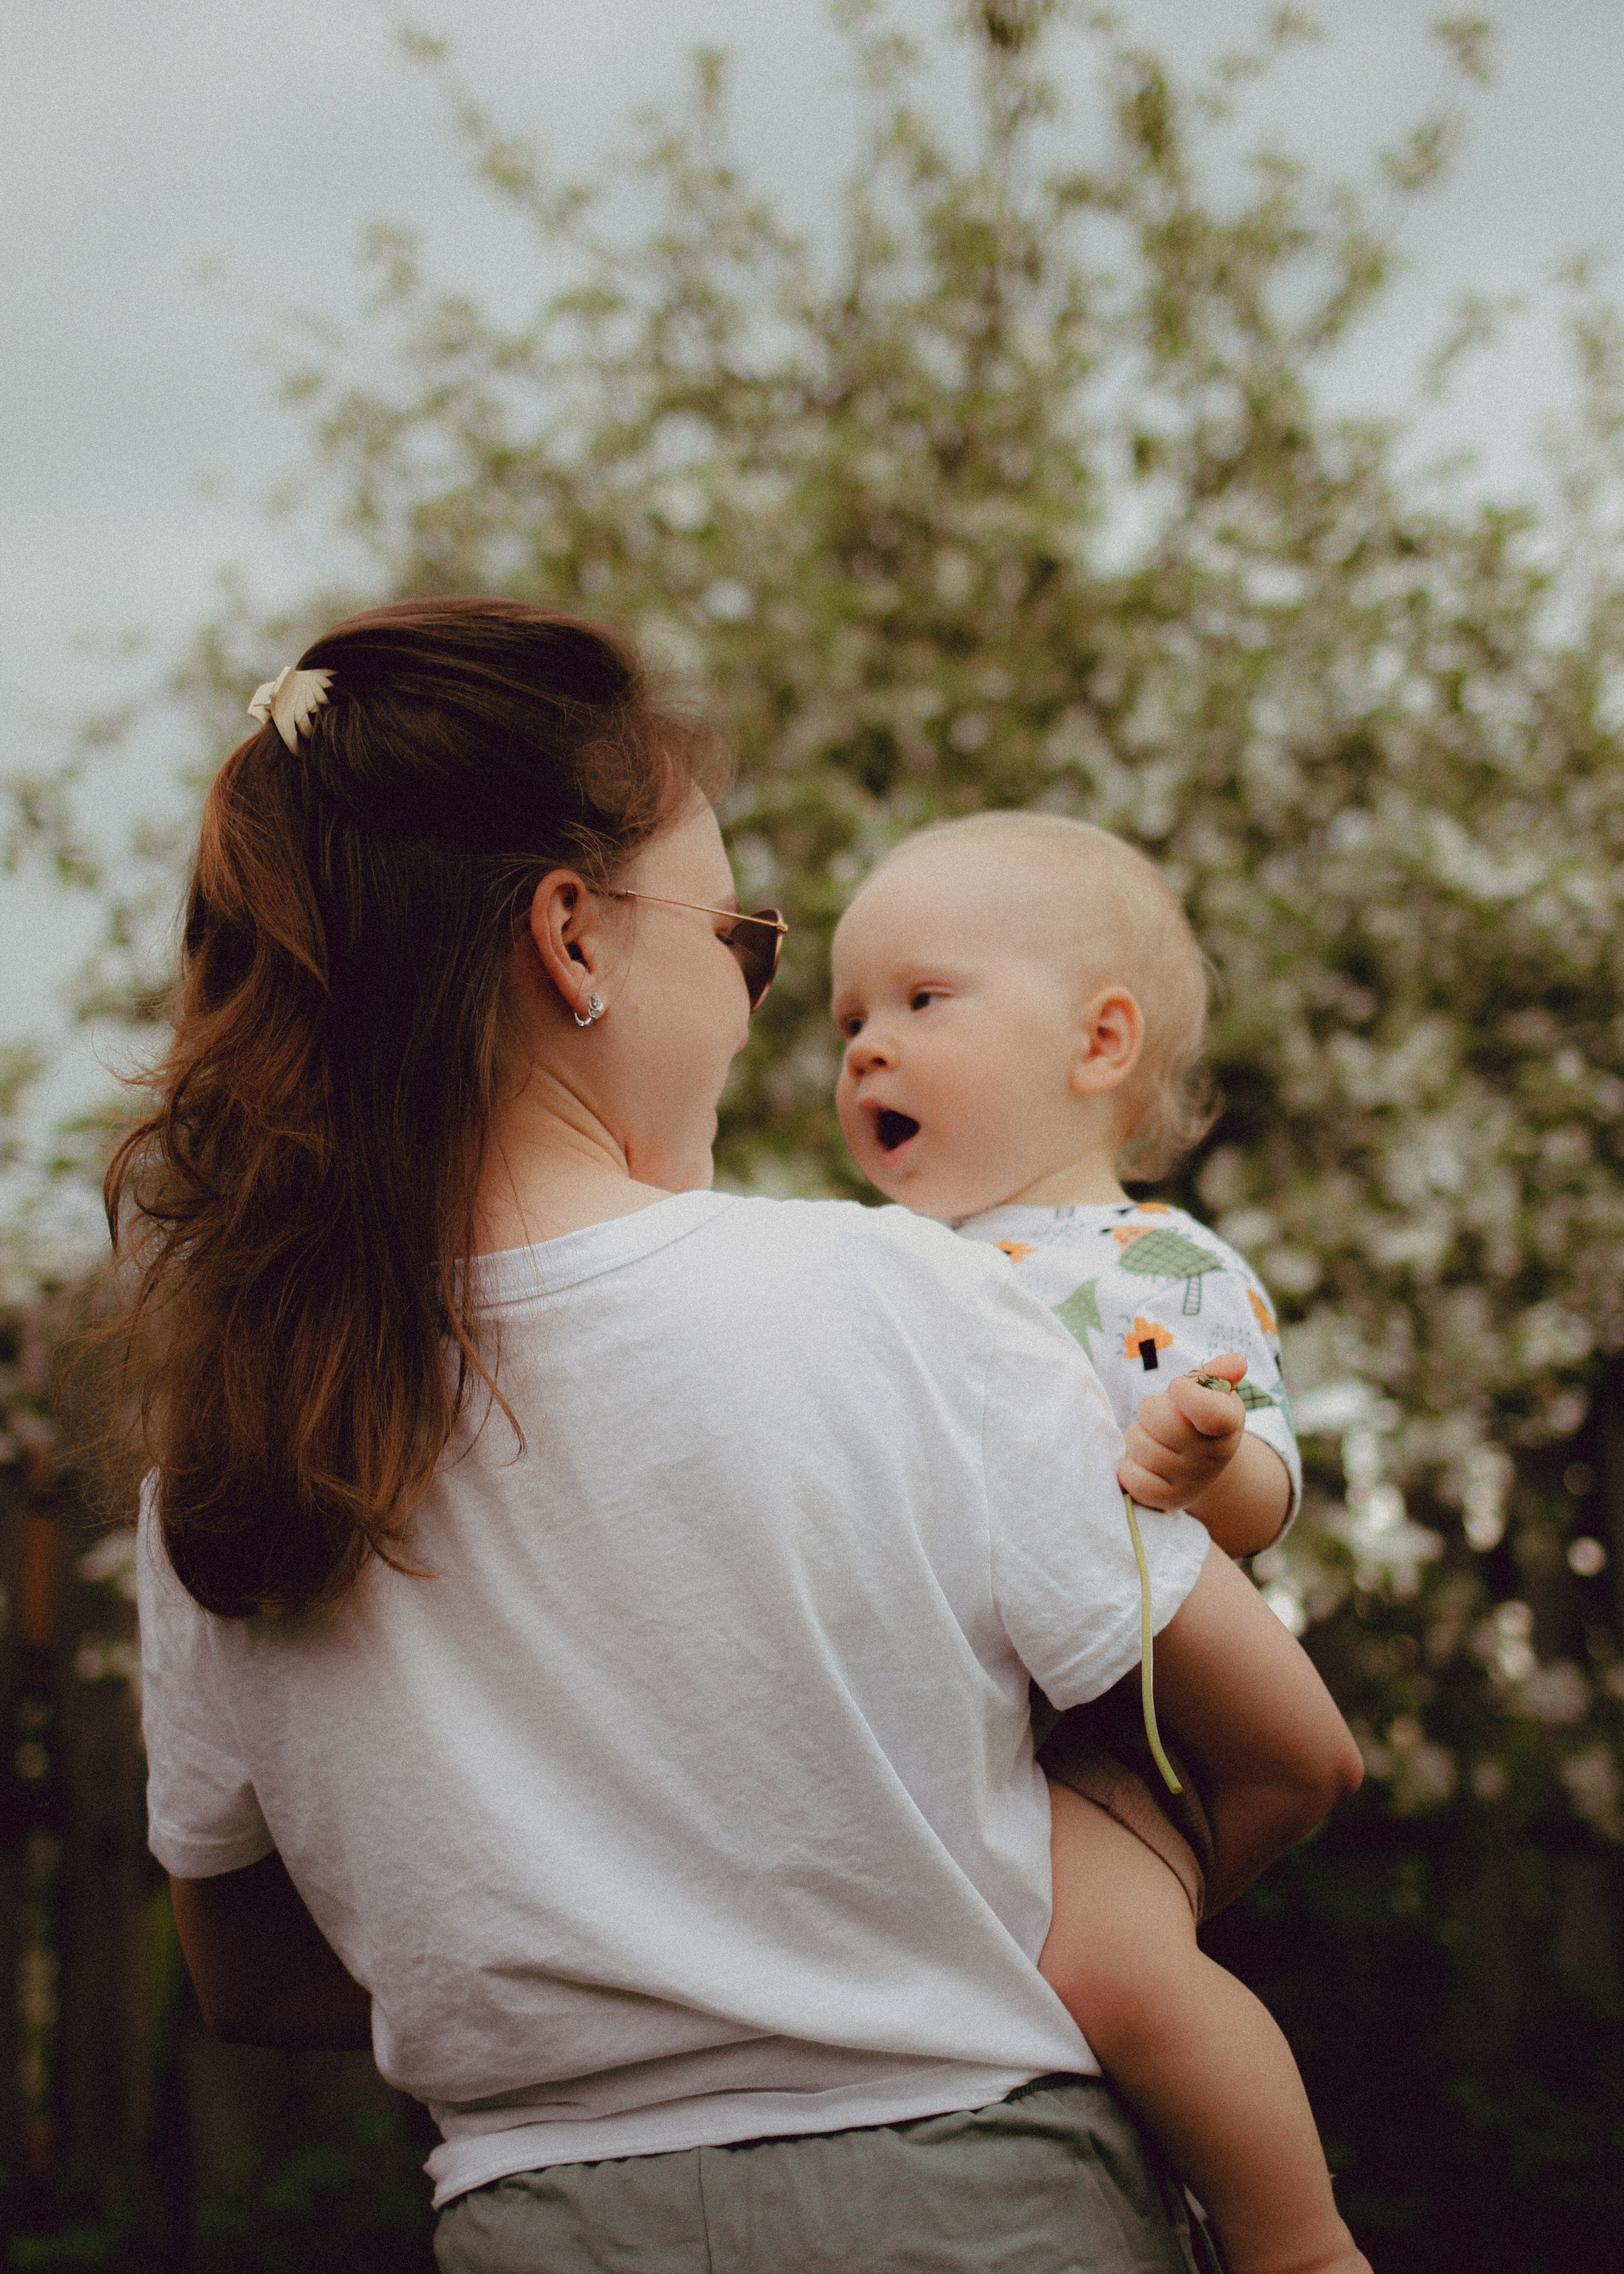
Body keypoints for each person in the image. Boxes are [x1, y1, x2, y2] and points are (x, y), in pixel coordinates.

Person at [127, 598, 1359, 2274]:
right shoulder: (900, 1299)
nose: (775, 1013)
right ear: (572, 941)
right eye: (743, 943)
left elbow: (253, 1978)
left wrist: (618, 1987)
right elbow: (1293, 1752)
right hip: (973, 2211)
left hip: (537, 2223)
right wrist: (993, 1926)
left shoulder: (243, 1431)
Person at [830, 809, 1370, 2274]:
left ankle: (1295, 2242)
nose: (866, 1046)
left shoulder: (1150, 1262)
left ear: (1097, 1043)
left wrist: (1200, 1458)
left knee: (1117, 1972)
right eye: (848, 1018)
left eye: (920, 999)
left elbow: (1265, 1485)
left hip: (1108, 1723)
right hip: (948, 1709)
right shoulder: (871, 1269)